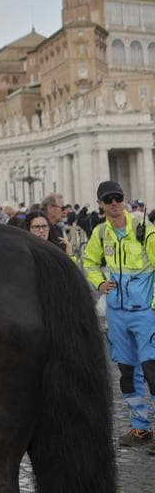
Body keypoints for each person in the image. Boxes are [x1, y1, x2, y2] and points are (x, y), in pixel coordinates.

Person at [82, 180, 155, 448]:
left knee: (152, 370)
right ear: (100, 204)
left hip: (146, 313)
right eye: (108, 199)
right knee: (126, 372)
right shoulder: (100, 233)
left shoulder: (144, 229)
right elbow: (88, 262)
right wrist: (99, 283)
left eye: (118, 197)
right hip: (117, 314)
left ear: (124, 199)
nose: (114, 203)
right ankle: (140, 428)